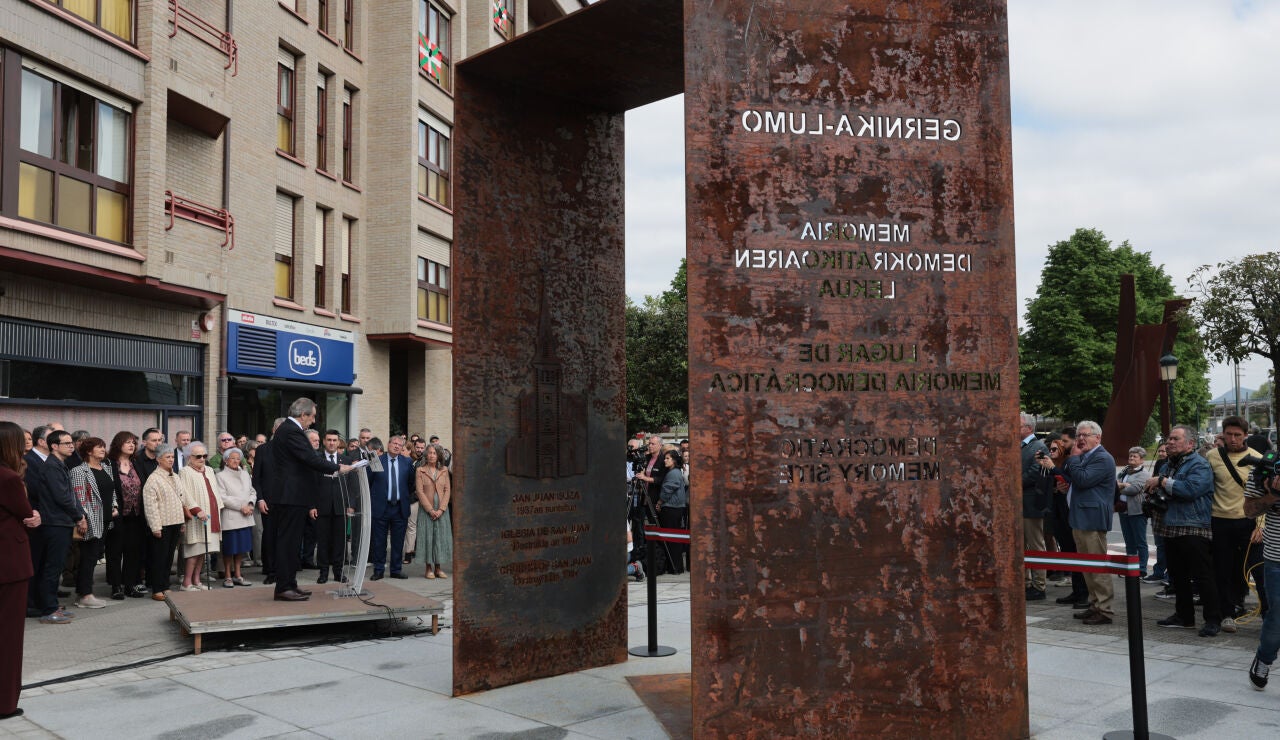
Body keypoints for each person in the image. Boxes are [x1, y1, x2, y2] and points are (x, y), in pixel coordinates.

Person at [1146, 424, 1222, 637]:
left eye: (1175, 439)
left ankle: (1213, 619)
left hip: (1193, 526)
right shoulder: (1167, 465)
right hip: (1169, 526)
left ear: (1190, 443)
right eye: (1169, 438)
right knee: (1177, 575)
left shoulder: (1200, 464)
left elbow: (1191, 490)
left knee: (1202, 575)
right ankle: (1184, 616)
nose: (1169, 442)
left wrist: (1161, 481)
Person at [271, 399, 348, 601]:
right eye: (312, 416)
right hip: (290, 495)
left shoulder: (289, 430)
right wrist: (338, 467)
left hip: (294, 495)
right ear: (303, 414)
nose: (313, 421)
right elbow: (310, 458)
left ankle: (290, 584)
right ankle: (283, 587)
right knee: (288, 542)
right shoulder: (291, 431)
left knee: (293, 542)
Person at [1043, 420, 1116, 625]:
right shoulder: (1086, 456)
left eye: (1085, 435)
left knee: (1097, 566)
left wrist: (1073, 458)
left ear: (1097, 438)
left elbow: (1083, 479)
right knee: (1087, 566)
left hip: (1092, 519)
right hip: (1080, 517)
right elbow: (1078, 482)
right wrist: (1068, 487)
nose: (1080, 439)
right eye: (1079, 436)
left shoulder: (1102, 458)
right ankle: (1094, 604)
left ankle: (1105, 609)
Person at [1, 421, 40, 720]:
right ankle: (4, 703)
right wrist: (34, 516)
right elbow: (26, 514)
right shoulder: (9, 478)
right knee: (9, 637)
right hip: (9, 563)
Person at [1208, 416, 1262, 633]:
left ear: (1245, 436)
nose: (1232, 439)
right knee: (1221, 568)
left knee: (1246, 568)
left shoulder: (1257, 459)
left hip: (1247, 521)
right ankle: (1227, 612)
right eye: (1228, 434)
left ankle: (1240, 603)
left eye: (1237, 435)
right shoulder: (1212, 456)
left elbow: (1264, 496)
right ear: (1223, 434)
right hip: (1219, 519)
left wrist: (1261, 525)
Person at [1245, 461, 1280, 689]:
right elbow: (1249, 511)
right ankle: (1264, 657)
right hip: (1277, 557)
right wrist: (1273, 495)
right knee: (1277, 616)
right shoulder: (1265, 470)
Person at [67, 437, 112, 610]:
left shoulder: (105, 467)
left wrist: (114, 506)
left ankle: (83, 592)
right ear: (88, 451)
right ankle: (85, 595)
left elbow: (112, 491)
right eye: (99, 447)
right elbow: (79, 498)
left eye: (103, 446)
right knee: (88, 557)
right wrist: (83, 519)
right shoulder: (79, 471)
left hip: (106, 519)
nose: (103, 449)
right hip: (90, 520)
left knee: (94, 557)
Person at [105, 431, 146, 599]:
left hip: (136, 515)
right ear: (118, 443)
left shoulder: (136, 462)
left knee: (133, 551)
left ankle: (129, 585)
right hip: (118, 514)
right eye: (128, 442)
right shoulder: (109, 463)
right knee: (115, 551)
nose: (131, 445)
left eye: (133, 443)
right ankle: (116, 586)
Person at [367, 434, 413, 581]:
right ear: (388, 444)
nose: (397, 446)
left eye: (400, 445)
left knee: (398, 542)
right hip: (381, 507)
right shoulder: (376, 460)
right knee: (379, 541)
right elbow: (369, 482)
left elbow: (410, 483)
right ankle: (378, 570)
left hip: (399, 508)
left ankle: (396, 570)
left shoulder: (407, 462)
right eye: (394, 443)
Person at [178, 443, 224, 591]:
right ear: (189, 457)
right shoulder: (185, 472)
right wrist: (196, 510)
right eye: (198, 456)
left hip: (211, 516)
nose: (202, 459)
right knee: (194, 552)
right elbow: (184, 493)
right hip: (196, 517)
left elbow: (215, 491)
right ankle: (186, 583)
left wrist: (218, 507)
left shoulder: (209, 470)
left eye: (204, 456)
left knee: (204, 552)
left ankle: (197, 580)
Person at [142, 445, 184, 601]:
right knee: (159, 558)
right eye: (167, 457)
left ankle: (165, 586)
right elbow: (150, 505)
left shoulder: (175, 476)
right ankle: (157, 588)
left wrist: (182, 522)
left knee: (169, 558)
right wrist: (155, 526)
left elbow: (181, 499)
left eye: (172, 457)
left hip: (175, 521)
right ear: (158, 459)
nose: (171, 460)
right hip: (162, 524)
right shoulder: (153, 479)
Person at [1019, 413, 1051, 601]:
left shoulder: (1039, 446)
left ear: (1029, 428)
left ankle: (1039, 586)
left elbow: (1035, 472)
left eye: (1018, 425)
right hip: (1020, 504)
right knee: (1021, 545)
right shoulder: (1020, 446)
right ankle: (1025, 583)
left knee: (1036, 545)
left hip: (1032, 504)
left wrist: (1013, 482)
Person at [313, 430, 349, 585]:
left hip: (341, 507)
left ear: (338, 442)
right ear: (324, 441)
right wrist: (312, 506)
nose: (332, 443)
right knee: (323, 541)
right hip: (322, 507)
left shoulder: (345, 460)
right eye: (329, 440)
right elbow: (311, 484)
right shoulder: (317, 459)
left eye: (334, 440)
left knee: (340, 542)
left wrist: (351, 505)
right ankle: (323, 572)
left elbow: (352, 484)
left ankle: (338, 572)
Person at [216, 448, 256, 588]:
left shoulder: (245, 474)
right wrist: (241, 506)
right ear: (226, 460)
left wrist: (250, 504)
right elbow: (222, 497)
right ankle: (228, 576)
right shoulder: (220, 476)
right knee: (229, 549)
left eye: (238, 458)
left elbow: (252, 491)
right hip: (231, 517)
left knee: (241, 548)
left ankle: (238, 575)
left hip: (246, 516)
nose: (235, 461)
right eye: (232, 458)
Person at [254, 418, 286, 584]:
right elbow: (256, 478)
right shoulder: (262, 450)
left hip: (289, 501)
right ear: (273, 430)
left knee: (286, 537)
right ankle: (271, 570)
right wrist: (260, 499)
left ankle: (285, 570)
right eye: (279, 429)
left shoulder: (292, 450)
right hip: (268, 501)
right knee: (270, 536)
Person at [414, 444, 452, 579]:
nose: (431, 455)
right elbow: (419, 491)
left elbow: (447, 490)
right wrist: (430, 510)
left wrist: (441, 509)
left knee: (439, 538)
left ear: (438, 456)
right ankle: (428, 568)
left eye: (434, 453)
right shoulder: (420, 470)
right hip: (426, 510)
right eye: (429, 453)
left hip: (442, 510)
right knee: (427, 537)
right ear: (426, 455)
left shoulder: (444, 470)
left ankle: (438, 568)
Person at [1116, 446, 1151, 578]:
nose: (1131, 458)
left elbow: (1133, 490)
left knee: (1140, 541)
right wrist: (1122, 485)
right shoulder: (1125, 471)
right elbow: (1114, 484)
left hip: (1137, 511)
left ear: (1142, 460)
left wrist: (1120, 486)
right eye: (1130, 456)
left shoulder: (1144, 474)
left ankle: (1142, 569)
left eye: (1135, 456)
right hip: (1123, 510)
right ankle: (1130, 567)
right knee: (1129, 541)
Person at [657, 449, 689, 575]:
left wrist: (660, 502)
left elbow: (667, 490)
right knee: (672, 538)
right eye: (665, 458)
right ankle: (674, 566)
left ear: (674, 460)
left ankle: (675, 566)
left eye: (668, 458)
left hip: (672, 508)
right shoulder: (673, 472)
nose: (665, 460)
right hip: (674, 508)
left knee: (671, 539)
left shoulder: (673, 473)